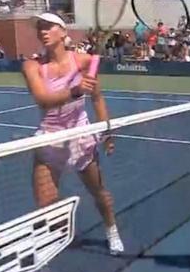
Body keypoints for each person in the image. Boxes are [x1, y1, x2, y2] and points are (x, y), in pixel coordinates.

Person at [22, 13, 124, 257]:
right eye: (40, 28)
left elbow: (97, 98)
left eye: (48, 27)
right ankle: (47, 251)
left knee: (99, 192)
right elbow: (43, 100)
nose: (42, 31)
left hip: (81, 134)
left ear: (63, 32)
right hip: (50, 138)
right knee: (46, 204)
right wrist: (76, 90)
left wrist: (106, 130)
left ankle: (112, 230)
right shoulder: (32, 65)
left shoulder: (84, 62)